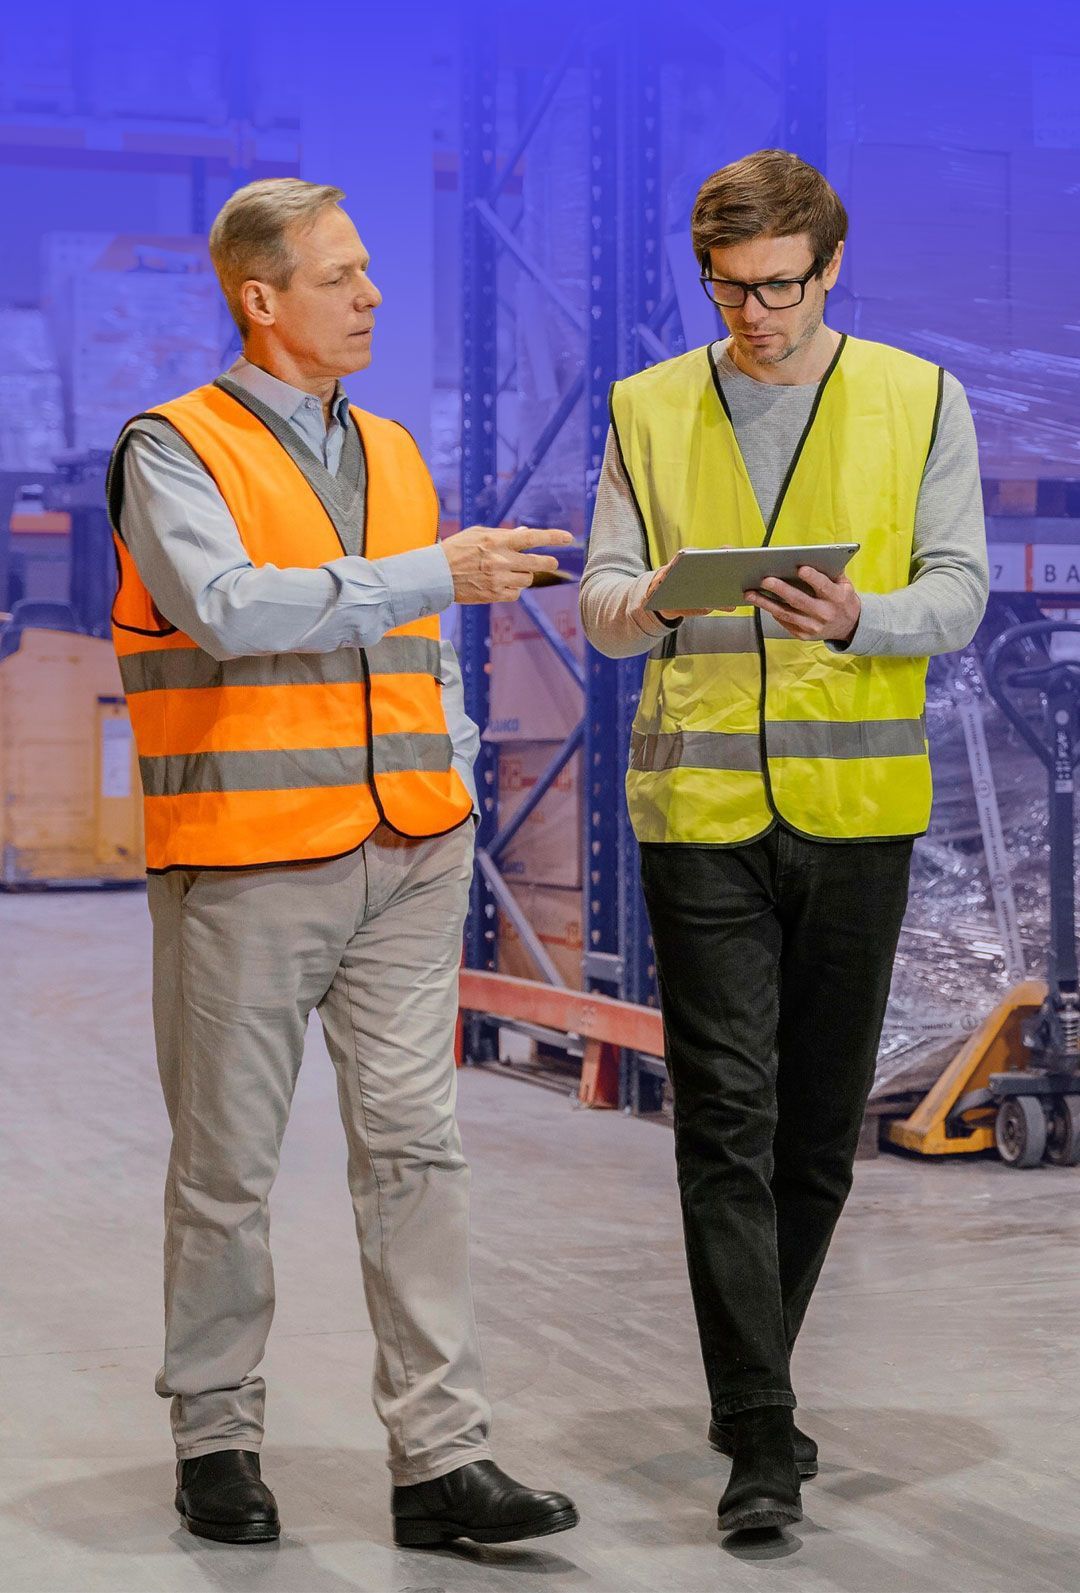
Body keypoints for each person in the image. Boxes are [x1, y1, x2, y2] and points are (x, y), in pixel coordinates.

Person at [106, 177, 578, 1550]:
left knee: (418, 1154)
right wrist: (436, 575)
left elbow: (421, 650)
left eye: (369, 271)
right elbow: (230, 608)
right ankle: (216, 1433)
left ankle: (442, 1459)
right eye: (343, 275)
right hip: (250, 864)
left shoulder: (393, 450)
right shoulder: (173, 449)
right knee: (228, 1168)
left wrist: (459, 774)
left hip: (409, 854)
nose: (372, 295)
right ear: (262, 298)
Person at [580, 148, 988, 1534]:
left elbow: (962, 591)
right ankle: (760, 1427)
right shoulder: (646, 407)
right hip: (697, 812)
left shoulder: (920, 398)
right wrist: (651, 606)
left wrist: (864, 619)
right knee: (726, 1122)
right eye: (730, 289)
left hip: (857, 813)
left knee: (817, 1137)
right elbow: (598, 597)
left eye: (779, 287)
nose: (754, 315)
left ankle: (753, 1375)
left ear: (828, 266)